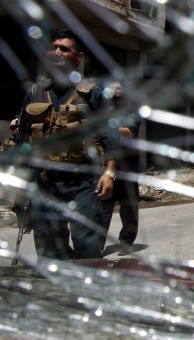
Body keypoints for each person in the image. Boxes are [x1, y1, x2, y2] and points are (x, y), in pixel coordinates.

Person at [16, 28, 118, 260]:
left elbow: (110, 136)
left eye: (64, 48)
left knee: (87, 247)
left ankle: (87, 293)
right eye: (53, 47)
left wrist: (109, 173)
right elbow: (22, 137)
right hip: (45, 183)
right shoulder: (36, 92)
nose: (56, 52)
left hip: (82, 182)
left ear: (78, 57)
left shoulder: (92, 93)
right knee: (50, 249)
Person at [100, 82, 142, 255]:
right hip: (108, 163)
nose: (115, 90)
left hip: (128, 164)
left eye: (119, 87)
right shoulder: (104, 109)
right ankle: (96, 244)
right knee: (103, 205)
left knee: (128, 206)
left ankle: (126, 242)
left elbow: (129, 131)